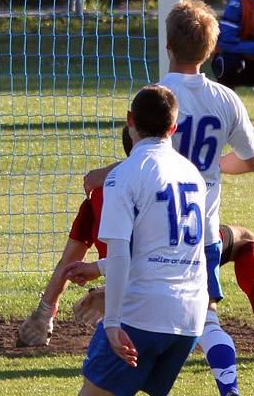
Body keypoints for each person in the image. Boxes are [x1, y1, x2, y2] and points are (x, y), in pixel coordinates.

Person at [71, 0, 254, 396]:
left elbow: (147, 162)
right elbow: (250, 161)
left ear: (168, 45)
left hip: (159, 231)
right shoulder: (226, 99)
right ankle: (227, 383)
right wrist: (208, 170)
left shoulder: (158, 96)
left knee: (183, 315)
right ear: (212, 49)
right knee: (203, 319)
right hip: (202, 228)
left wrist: (101, 174)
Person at [16, 125, 254, 348]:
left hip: (124, 264)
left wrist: (45, 312)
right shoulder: (175, 174)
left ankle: (121, 287)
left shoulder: (100, 192)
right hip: (175, 262)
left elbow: (69, 261)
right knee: (245, 240)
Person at [73, 84, 210, 396]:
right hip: (189, 317)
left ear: (129, 120)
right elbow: (163, 247)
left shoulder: (123, 175)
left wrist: (112, 322)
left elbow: (122, 254)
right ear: (173, 128)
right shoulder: (192, 175)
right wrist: (97, 267)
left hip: (142, 314)